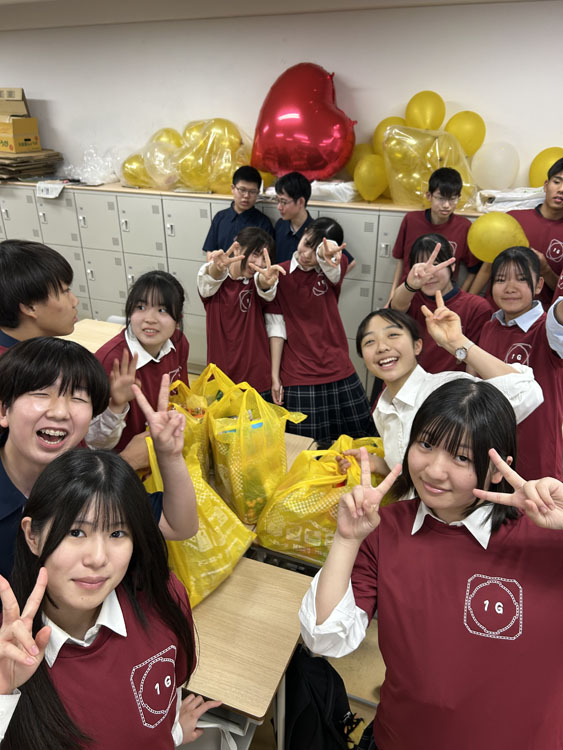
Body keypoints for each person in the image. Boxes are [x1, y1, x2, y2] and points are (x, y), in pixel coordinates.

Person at [300, 379, 563, 749]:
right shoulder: (385, 528)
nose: (435, 470)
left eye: (461, 457)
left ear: (499, 469)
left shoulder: (546, 537)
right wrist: (346, 540)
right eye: (425, 444)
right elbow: (325, 637)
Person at [0, 449, 220, 748]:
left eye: (117, 533)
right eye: (76, 532)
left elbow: (164, 697)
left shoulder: (164, 598)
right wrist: (2, 695)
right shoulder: (7, 652)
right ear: (32, 536)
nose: (97, 558)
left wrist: (171, 733)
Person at [0, 337, 198, 580]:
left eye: (78, 398)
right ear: (4, 410)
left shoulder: (90, 474)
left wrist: (169, 455)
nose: (60, 412)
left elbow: (179, 526)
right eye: (41, 393)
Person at [347, 294, 542, 479]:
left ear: (417, 346)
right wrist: (377, 464)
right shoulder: (382, 410)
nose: (382, 347)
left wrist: (456, 342)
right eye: (370, 341)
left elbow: (526, 393)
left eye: (393, 335)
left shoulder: (445, 389)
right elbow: (406, 474)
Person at [266, 217, 374, 447]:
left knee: (359, 441)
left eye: (315, 250)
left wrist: (326, 255)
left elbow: (334, 267)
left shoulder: (333, 268)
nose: (306, 254)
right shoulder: (279, 273)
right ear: (303, 233)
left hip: (338, 366)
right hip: (298, 372)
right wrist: (275, 376)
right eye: (306, 243)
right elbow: (276, 328)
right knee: (306, 446)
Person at [478, 246, 563, 480]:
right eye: (501, 279)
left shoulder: (547, 329)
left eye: (522, 279)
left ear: (539, 285)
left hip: (536, 451)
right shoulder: (489, 327)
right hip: (491, 447)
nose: (510, 288)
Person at [95, 271, 190, 454]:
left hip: (165, 445)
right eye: (140, 307)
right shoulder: (111, 361)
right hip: (124, 459)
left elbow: (181, 397)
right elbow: (95, 442)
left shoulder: (178, 342)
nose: (149, 319)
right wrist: (117, 406)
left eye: (162, 310)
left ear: (178, 319)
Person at [197, 227, 285, 394]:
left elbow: (264, 286)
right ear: (237, 248)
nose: (259, 263)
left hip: (257, 380)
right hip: (220, 381)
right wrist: (217, 267)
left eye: (264, 258)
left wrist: (267, 281)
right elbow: (210, 276)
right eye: (255, 254)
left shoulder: (257, 282)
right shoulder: (213, 283)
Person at [390, 234, 494, 372]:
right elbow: (397, 306)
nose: (429, 274)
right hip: (409, 380)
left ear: (452, 266)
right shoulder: (412, 298)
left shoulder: (476, 307)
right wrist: (410, 285)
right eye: (422, 267)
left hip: (452, 383)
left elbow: (476, 363)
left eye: (436, 265)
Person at [469, 158, 563, 304]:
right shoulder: (513, 219)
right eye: (556, 182)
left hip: (540, 315)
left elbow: (560, 290)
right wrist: (468, 304)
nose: (561, 189)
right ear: (546, 186)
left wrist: (545, 270)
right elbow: (488, 266)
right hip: (497, 309)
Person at [388, 167, 479, 301]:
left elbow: (473, 270)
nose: (446, 205)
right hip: (409, 294)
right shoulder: (411, 220)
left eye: (452, 199)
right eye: (441, 198)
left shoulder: (464, 226)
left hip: (441, 298)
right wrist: (392, 297)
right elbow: (401, 261)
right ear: (429, 196)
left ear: (459, 198)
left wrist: (459, 299)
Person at [0, 239, 78, 353]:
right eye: (65, 291)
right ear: (30, 308)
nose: (75, 301)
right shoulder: (16, 363)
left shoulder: (32, 351)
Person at [274, 172, 356, 272]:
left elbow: (350, 263)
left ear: (301, 202)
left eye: (283, 202)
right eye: (277, 200)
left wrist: (327, 280)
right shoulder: (280, 225)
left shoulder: (318, 231)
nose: (279, 207)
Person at [202, 165, 273, 261]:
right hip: (221, 269)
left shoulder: (263, 223)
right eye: (242, 190)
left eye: (252, 192)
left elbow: (265, 259)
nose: (246, 196)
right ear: (233, 188)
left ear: (258, 193)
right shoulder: (220, 217)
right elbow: (210, 252)